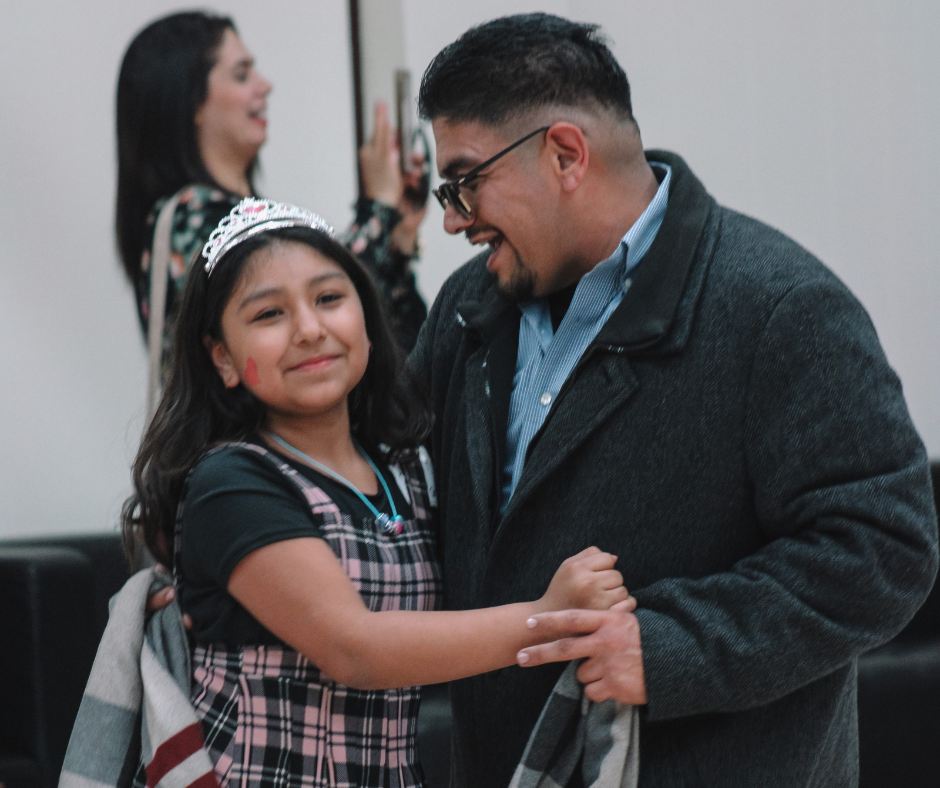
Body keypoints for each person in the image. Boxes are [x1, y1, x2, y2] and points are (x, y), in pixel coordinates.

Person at [407, 13, 939, 787]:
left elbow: (886, 547)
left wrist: (666, 648)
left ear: (563, 153)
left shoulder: (780, 308)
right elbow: (393, 497)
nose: (452, 218)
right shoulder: (468, 307)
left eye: (464, 182)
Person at [124, 197, 631, 786]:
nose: (310, 330)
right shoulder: (230, 482)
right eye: (269, 315)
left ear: (366, 320)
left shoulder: (407, 468)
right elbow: (355, 648)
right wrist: (546, 617)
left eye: (329, 299)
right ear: (224, 359)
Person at [115, 11, 427, 367]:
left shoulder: (241, 216)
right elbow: (335, 308)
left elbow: (399, 346)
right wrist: (379, 209)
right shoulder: (189, 221)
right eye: (242, 74)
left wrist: (399, 235)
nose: (264, 86)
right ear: (190, 100)